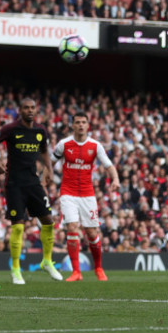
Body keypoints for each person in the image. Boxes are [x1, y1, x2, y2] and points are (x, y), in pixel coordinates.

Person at [0, 97, 63, 284]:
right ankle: (16, 270)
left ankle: (46, 262)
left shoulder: (40, 130)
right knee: (18, 227)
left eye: (32, 107)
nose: (30, 110)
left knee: (48, 221)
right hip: (14, 184)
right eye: (26, 108)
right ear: (20, 110)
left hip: (33, 182)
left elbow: (44, 149)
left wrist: (49, 169)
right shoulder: (10, 129)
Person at [51, 112, 120, 282]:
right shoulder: (63, 144)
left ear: (88, 125)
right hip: (68, 193)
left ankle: (98, 268)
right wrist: (45, 174)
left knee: (91, 232)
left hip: (88, 194)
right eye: (78, 122)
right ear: (72, 125)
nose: (81, 125)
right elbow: (50, 161)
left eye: (84, 122)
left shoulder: (95, 146)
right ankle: (76, 272)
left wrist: (116, 178)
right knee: (72, 227)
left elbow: (109, 165)